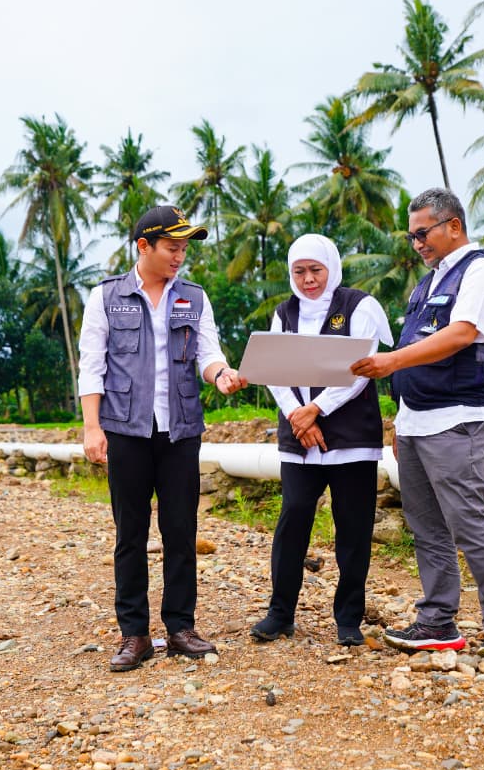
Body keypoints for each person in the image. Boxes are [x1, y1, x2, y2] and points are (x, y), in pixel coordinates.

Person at [350, 187, 484, 662]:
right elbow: (419, 348)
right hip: (416, 422)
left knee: (469, 523)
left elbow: (463, 333)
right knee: (426, 527)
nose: (417, 244)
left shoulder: (482, 272)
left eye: (423, 233)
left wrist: (390, 363)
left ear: (453, 226)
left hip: (457, 420)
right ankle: (437, 620)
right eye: (411, 237)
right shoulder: (427, 284)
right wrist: (401, 415)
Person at [78, 205, 247, 672]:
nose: (180, 256)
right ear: (144, 246)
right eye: (172, 247)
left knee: (180, 530)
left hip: (180, 431)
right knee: (129, 534)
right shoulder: (106, 297)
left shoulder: (194, 297)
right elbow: (91, 365)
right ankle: (135, 635)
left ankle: (179, 628)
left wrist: (223, 376)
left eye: (185, 248)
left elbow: (209, 355)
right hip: (125, 430)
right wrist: (92, 427)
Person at [250, 235, 394, 647]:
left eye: (316, 270)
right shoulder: (284, 312)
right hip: (300, 440)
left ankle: (348, 619)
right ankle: (280, 613)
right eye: (300, 271)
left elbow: (360, 369)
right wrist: (300, 415)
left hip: (351, 439)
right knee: (293, 519)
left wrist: (317, 410)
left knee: (353, 527)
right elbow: (275, 370)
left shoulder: (359, 305)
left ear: (331, 267)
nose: (308, 279)